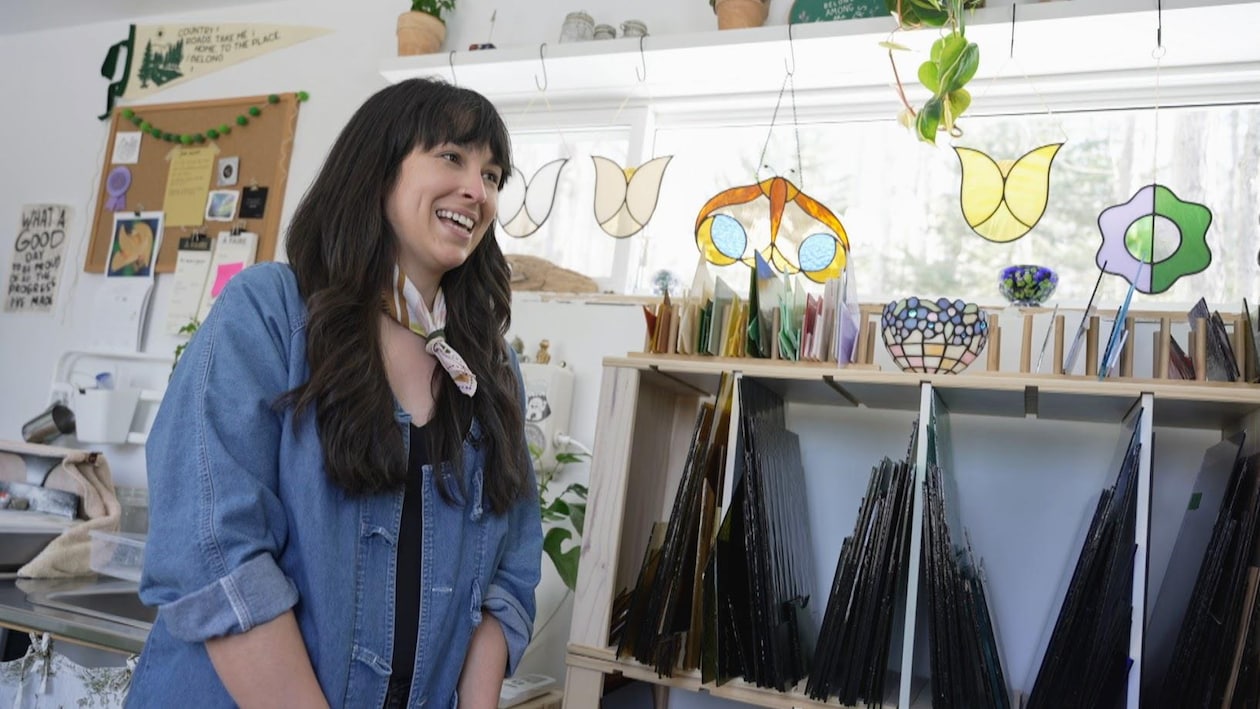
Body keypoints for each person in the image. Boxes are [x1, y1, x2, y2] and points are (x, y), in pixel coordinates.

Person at [126, 78, 542, 709]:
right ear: (378, 169)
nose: (477, 190)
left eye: (492, 175)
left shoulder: (490, 369)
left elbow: (508, 577)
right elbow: (213, 553)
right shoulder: (269, 315)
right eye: (452, 157)